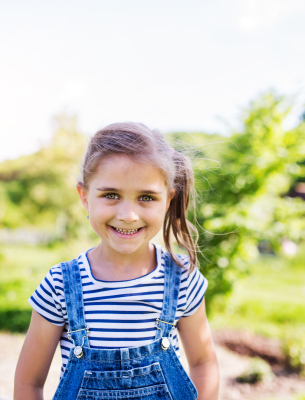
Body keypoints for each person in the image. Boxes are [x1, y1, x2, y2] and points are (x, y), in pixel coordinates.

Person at [14, 122, 219, 400]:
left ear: (168, 201)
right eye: (111, 195)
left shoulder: (182, 278)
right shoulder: (60, 284)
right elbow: (29, 383)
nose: (128, 215)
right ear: (85, 197)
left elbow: (203, 363)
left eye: (146, 197)